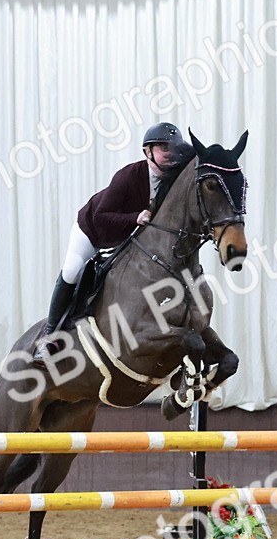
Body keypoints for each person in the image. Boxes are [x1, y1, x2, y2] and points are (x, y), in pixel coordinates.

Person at [32, 122, 185, 361]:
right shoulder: (128, 176)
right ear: (148, 152)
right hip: (93, 230)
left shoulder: (174, 179)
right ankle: (49, 336)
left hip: (126, 237)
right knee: (72, 270)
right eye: (164, 147)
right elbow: (101, 216)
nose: (170, 153)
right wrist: (136, 217)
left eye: (173, 148)